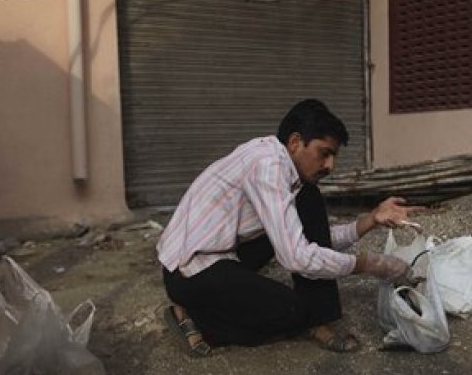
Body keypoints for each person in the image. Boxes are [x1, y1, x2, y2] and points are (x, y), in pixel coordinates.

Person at [156, 99, 423, 357]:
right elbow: (297, 257)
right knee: (291, 312)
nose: (330, 166)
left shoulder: (286, 170)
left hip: (225, 251)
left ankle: (319, 318)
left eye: (333, 156)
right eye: (324, 153)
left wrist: (371, 219)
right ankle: (195, 318)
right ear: (295, 142)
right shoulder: (267, 167)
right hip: (190, 269)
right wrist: (371, 264)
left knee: (308, 198)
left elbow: (309, 241)